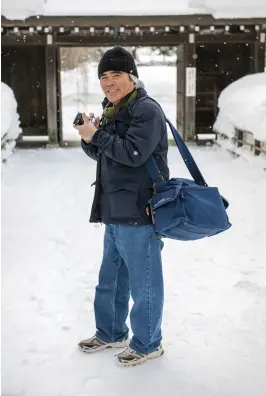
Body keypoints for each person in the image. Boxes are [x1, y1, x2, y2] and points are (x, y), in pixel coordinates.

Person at [74, 46, 169, 367]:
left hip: (140, 209)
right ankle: (112, 331)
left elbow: (133, 154)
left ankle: (148, 343)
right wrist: (89, 138)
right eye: (103, 76)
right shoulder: (115, 108)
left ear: (132, 76)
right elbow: (104, 155)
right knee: (110, 279)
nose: (109, 83)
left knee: (144, 282)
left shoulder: (146, 110)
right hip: (114, 207)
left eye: (116, 75)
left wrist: (97, 135)